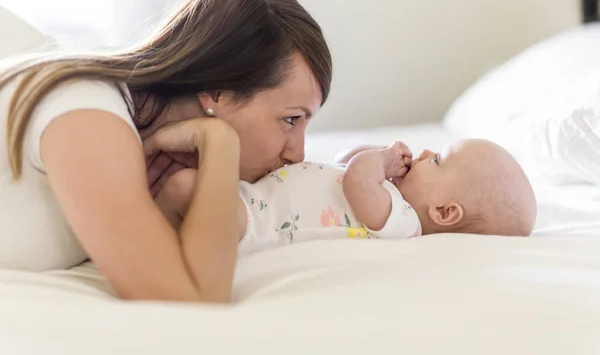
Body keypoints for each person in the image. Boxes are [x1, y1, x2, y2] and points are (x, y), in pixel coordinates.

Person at [0, 0, 332, 303]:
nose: (298, 154)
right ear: (217, 93)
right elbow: (193, 300)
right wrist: (220, 144)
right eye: (290, 119)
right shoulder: (86, 115)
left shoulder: (152, 157)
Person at [157, 139, 537, 254]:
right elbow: (344, 164)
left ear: (444, 211)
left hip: (256, 224)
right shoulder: (387, 193)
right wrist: (376, 154)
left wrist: (381, 161)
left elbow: (356, 180)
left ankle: (144, 237)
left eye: (436, 160)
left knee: (183, 187)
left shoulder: (401, 221)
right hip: (256, 198)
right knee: (179, 182)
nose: (422, 154)